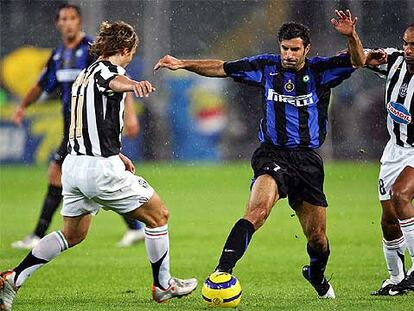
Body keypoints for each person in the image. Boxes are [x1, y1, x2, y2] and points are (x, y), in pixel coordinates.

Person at [155, 9, 365, 299]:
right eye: (284, 49)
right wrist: (182, 64)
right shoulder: (266, 67)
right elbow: (222, 68)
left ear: (307, 49)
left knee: (317, 238)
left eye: (294, 50)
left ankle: (315, 273)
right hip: (272, 155)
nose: (288, 55)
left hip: (307, 161)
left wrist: (352, 35)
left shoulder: (321, 70)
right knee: (257, 211)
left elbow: (358, 61)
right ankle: (222, 271)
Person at [0, 20, 198, 311]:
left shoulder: (84, 74)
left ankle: (13, 277)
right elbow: (113, 82)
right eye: (132, 52)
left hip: (75, 165)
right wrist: (134, 84)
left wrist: (115, 153)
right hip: (99, 170)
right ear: (126, 49)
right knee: (158, 216)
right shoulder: (109, 71)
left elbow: (89, 120)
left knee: (73, 234)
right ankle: (163, 285)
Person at [10, 3, 145, 249]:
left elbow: (117, 78)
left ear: (79, 22)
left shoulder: (93, 49)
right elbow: (41, 85)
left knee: (59, 172)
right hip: (69, 124)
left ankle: (38, 235)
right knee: (92, 175)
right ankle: (135, 228)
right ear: (58, 24)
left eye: (73, 18)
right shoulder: (59, 55)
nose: (68, 22)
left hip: (88, 124)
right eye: (64, 18)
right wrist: (23, 106)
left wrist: (130, 116)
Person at [365, 24, 414, 296]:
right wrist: (352, 38)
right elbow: (360, 58)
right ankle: (396, 279)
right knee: (388, 220)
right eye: (405, 43)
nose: (408, 49)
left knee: (400, 195)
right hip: (395, 150)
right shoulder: (395, 61)